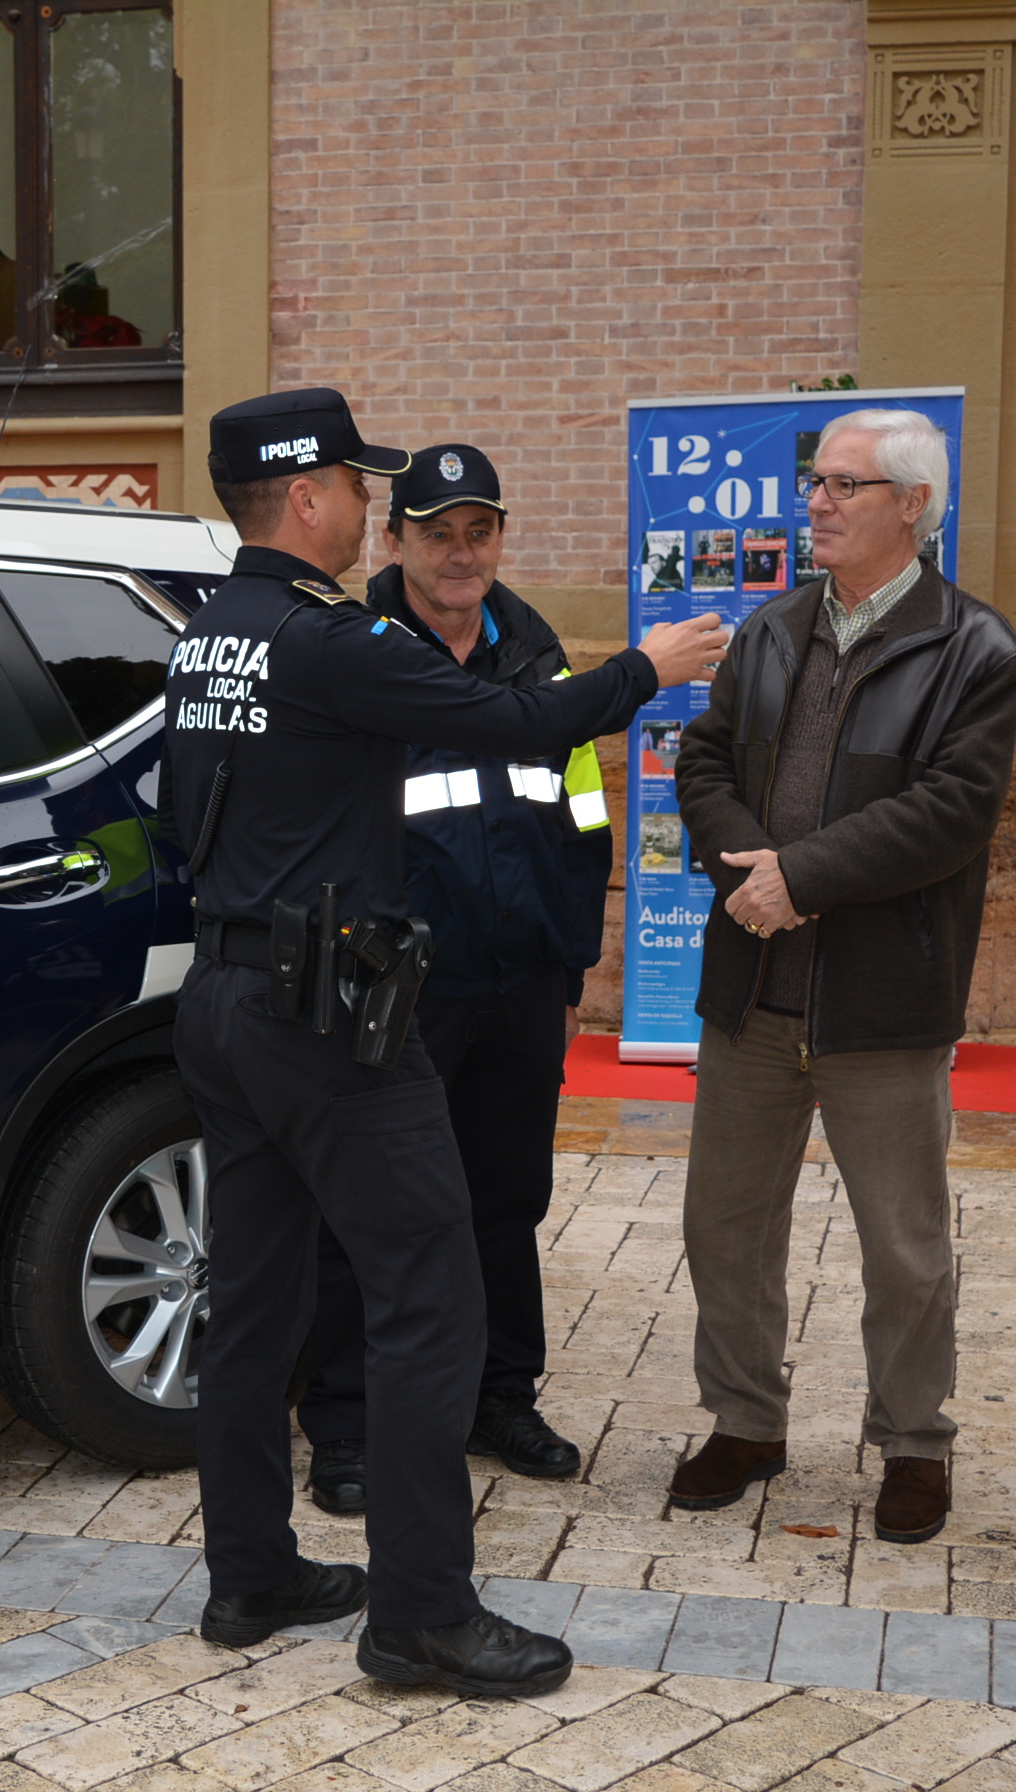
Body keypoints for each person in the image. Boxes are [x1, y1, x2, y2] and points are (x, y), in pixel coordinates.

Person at [167, 388, 725, 1696]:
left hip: (226, 1001)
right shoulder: (328, 637)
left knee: (252, 1301)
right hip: (325, 1015)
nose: (368, 501)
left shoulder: (210, 636)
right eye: (356, 483)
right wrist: (653, 668)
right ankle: (421, 1613)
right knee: (432, 1289)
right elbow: (525, 722)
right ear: (305, 498)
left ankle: (249, 1571)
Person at [669, 407, 1016, 1544]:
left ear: (913, 505)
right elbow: (703, 757)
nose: (814, 501)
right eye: (813, 480)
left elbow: (950, 814)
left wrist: (802, 877)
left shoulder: (979, 649)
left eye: (843, 484)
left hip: (883, 1002)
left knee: (904, 1244)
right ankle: (745, 1419)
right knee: (723, 1227)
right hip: (753, 994)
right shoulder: (770, 631)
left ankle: (913, 1442)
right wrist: (750, 865)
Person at [295, 444, 619, 1513]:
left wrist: (568, 959)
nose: (459, 552)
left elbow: (581, 819)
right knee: (368, 1210)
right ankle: (345, 1428)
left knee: (504, 1199)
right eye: (436, 531)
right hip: (399, 986)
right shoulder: (360, 652)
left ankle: (498, 1395)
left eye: (478, 530)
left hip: (519, 981)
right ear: (393, 541)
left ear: (498, 538)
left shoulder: (537, 653)